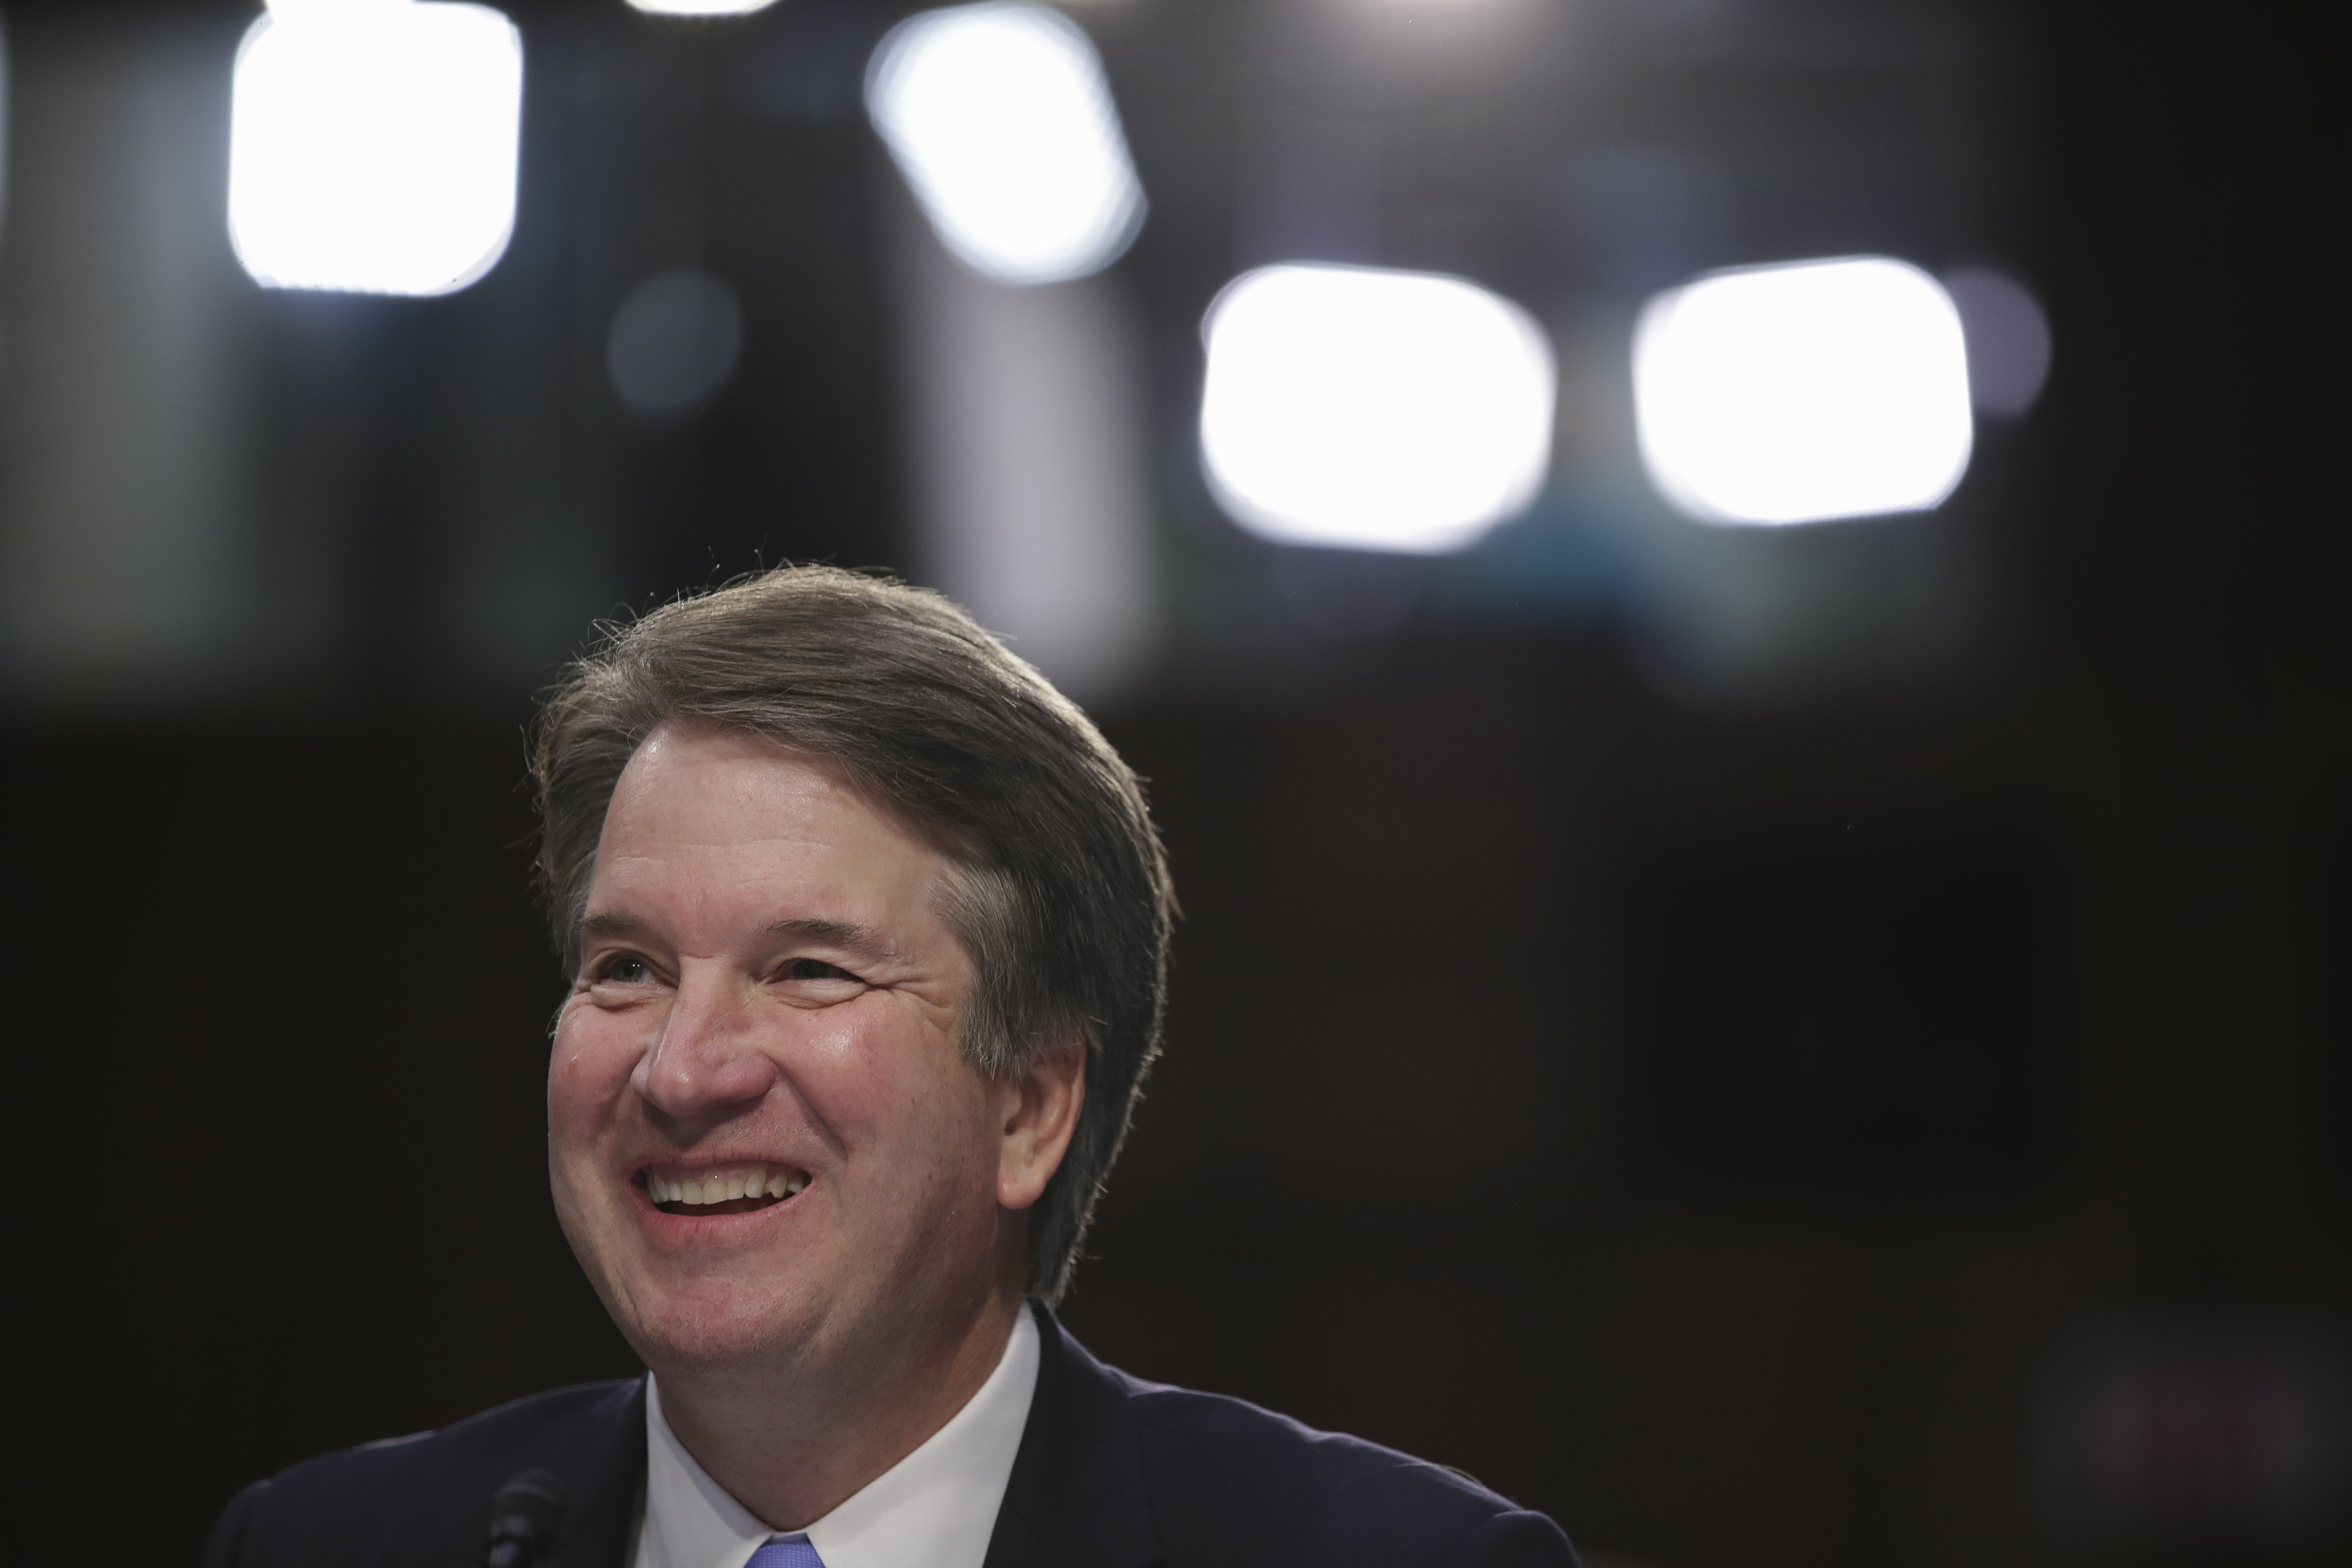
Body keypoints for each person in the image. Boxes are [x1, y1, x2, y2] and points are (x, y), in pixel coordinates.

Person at [202, 567, 1577, 1568]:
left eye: (808, 970)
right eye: (627, 969)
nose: (682, 1071)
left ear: (1030, 1106)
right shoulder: (326, 1546)